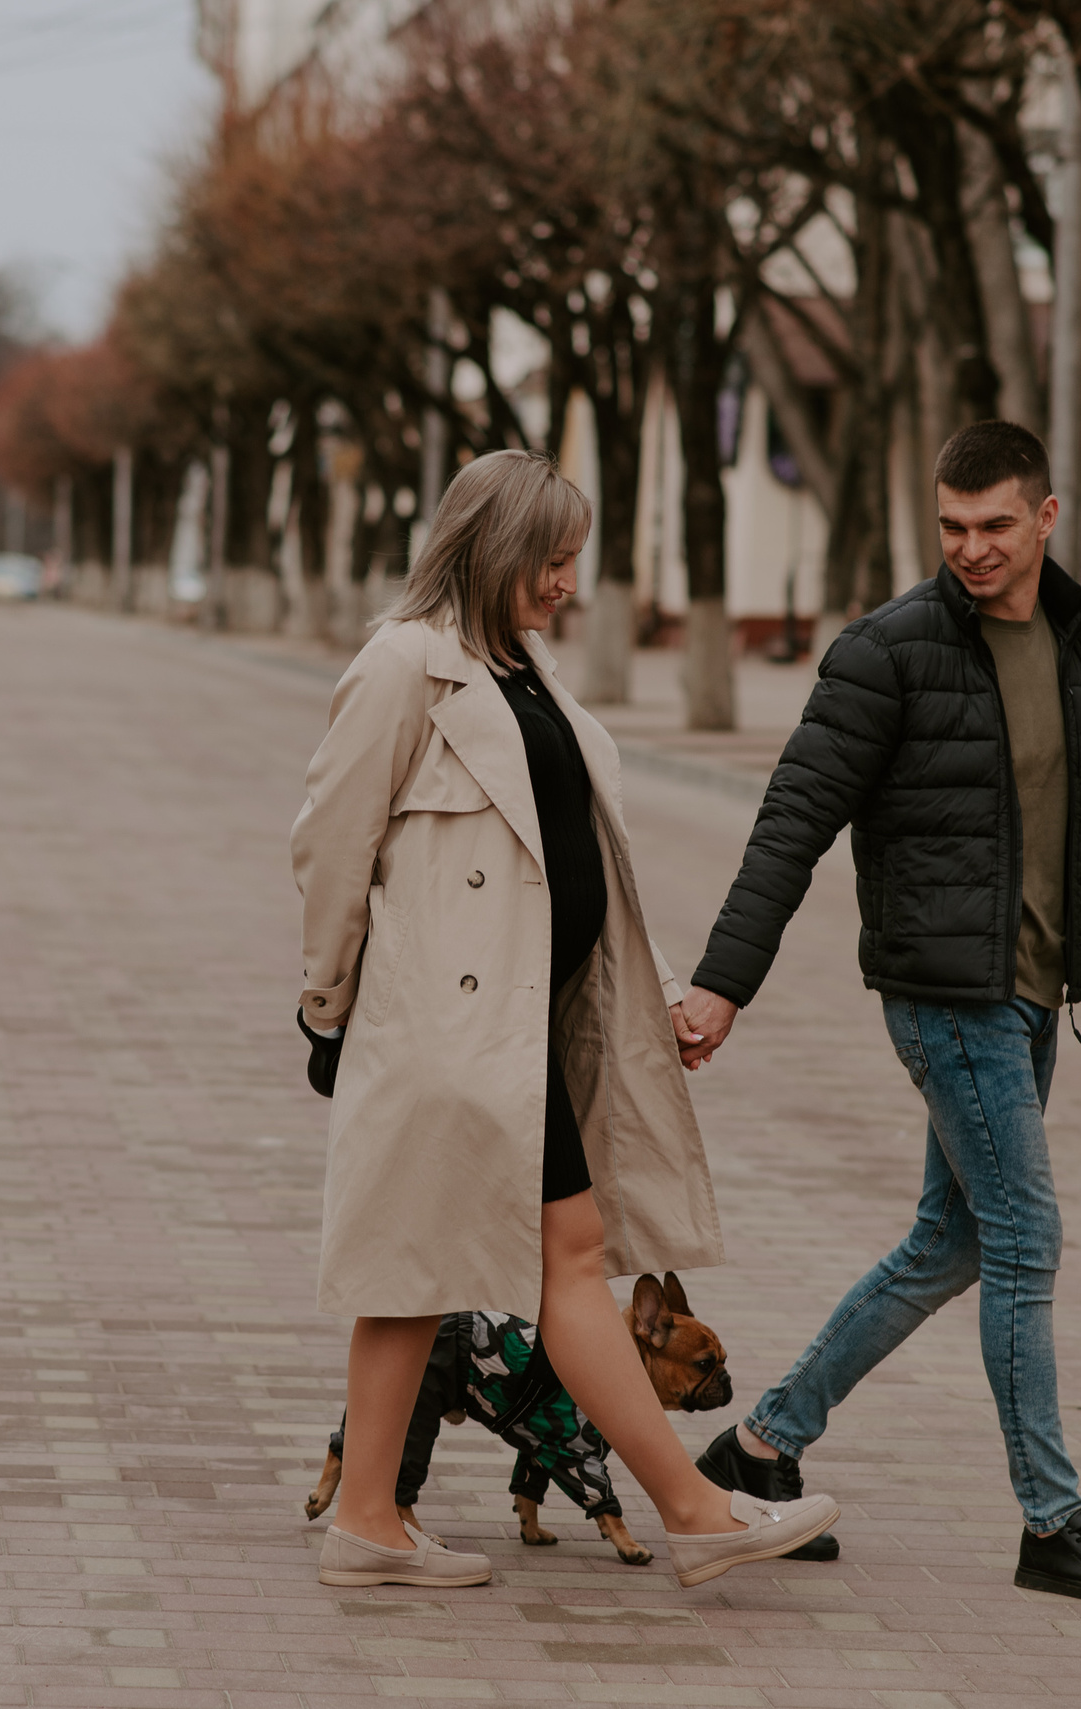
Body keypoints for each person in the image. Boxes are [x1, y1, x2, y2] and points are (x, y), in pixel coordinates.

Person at [291, 449, 838, 1592]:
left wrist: (657, 990)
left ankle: (368, 1518)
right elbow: (331, 845)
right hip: (449, 1034)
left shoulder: (524, 670)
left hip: (527, 1025)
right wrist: (328, 1008)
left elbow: (582, 862)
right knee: (557, 1257)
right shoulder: (403, 666)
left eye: (573, 560)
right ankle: (691, 1508)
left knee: (422, 1272)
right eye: (550, 559)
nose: (565, 583)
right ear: (491, 550)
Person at [677, 420, 1081, 1606]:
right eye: (951, 526)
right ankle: (1051, 1517)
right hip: (946, 996)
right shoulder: (887, 652)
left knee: (951, 1241)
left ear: (1044, 516)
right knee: (1023, 1237)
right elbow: (792, 818)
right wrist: (721, 981)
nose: (971, 547)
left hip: (1032, 990)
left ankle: (758, 1445)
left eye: (995, 524)